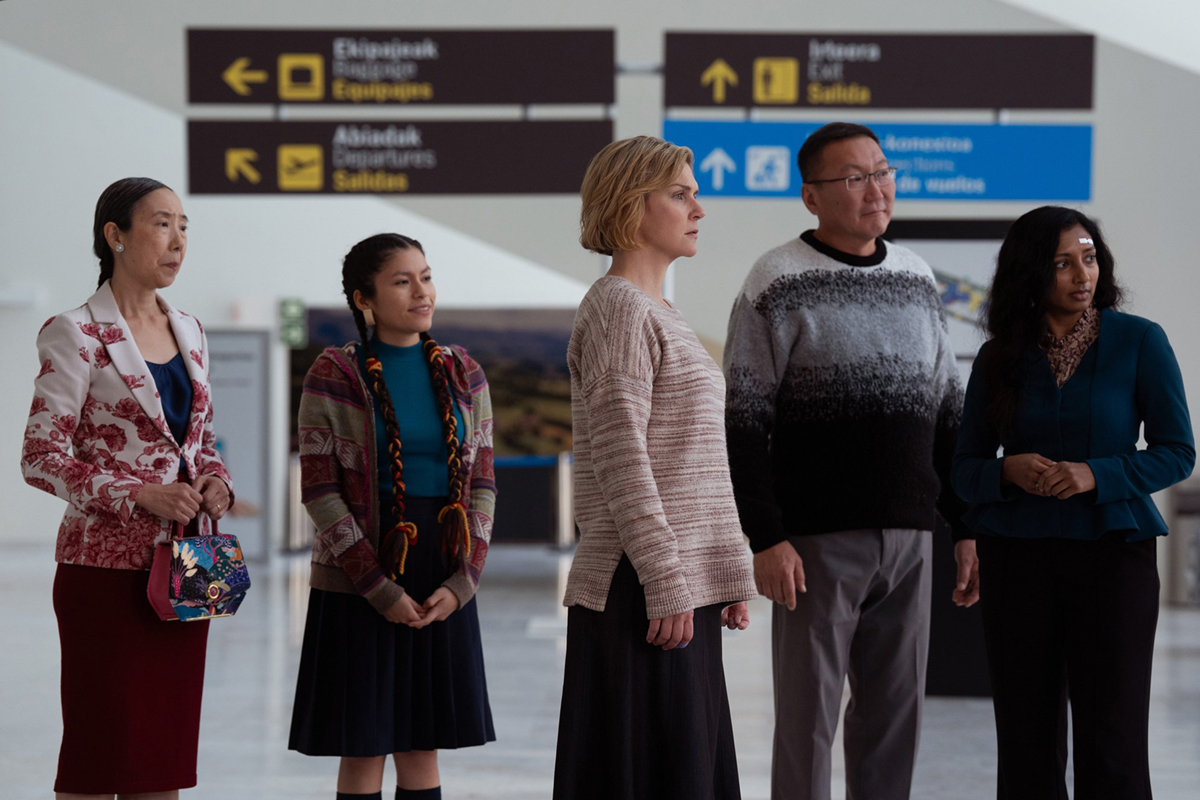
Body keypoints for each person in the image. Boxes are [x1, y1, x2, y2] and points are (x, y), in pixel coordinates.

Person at [723, 122, 971, 800]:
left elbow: (948, 411)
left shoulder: (917, 277)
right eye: (855, 178)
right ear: (811, 196)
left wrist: (967, 524)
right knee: (807, 723)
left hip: (911, 536)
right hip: (816, 542)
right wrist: (765, 537)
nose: (876, 189)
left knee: (895, 720)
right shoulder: (776, 280)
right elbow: (743, 420)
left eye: (882, 172)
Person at [952, 206, 1194, 800]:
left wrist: (1097, 474)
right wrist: (1006, 470)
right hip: (1017, 560)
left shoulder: (1140, 341)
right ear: (1030, 273)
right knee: (1026, 739)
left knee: (1113, 739)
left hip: (1115, 557)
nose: (1082, 275)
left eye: (1089, 258)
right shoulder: (998, 357)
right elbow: (964, 470)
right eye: (1062, 263)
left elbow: (1177, 452)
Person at [552, 135, 757, 800]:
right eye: (680, 194)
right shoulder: (618, 307)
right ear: (631, 205)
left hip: (672, 588)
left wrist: (722, 569)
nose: (699, 209)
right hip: (641, 589)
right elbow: (622, 458)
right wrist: (668, 578)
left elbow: (694, 461)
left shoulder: (659, 310)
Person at [21, 177, 233, 799]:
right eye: (162, 224)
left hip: (193, 560)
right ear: (115, 235)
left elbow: (201, 442)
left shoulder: (191, 329)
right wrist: (139, 493)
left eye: (184, 226)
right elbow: (40, 458)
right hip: (103, 571)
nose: (178, 240)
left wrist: (216, 480)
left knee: (164, 757)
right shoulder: (75, 332)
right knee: (99, 753)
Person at [289, 233, 496, 800]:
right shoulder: (333, 374)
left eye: (425, 277)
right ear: (365, 299)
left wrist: (464, 580)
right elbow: (320, 491)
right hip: (358, 574)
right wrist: (377, 587)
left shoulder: (464, 372)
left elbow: (482, 482)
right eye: (402, 282)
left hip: (441, 570)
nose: (421, 292)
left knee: (422, 746)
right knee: (363, 748)